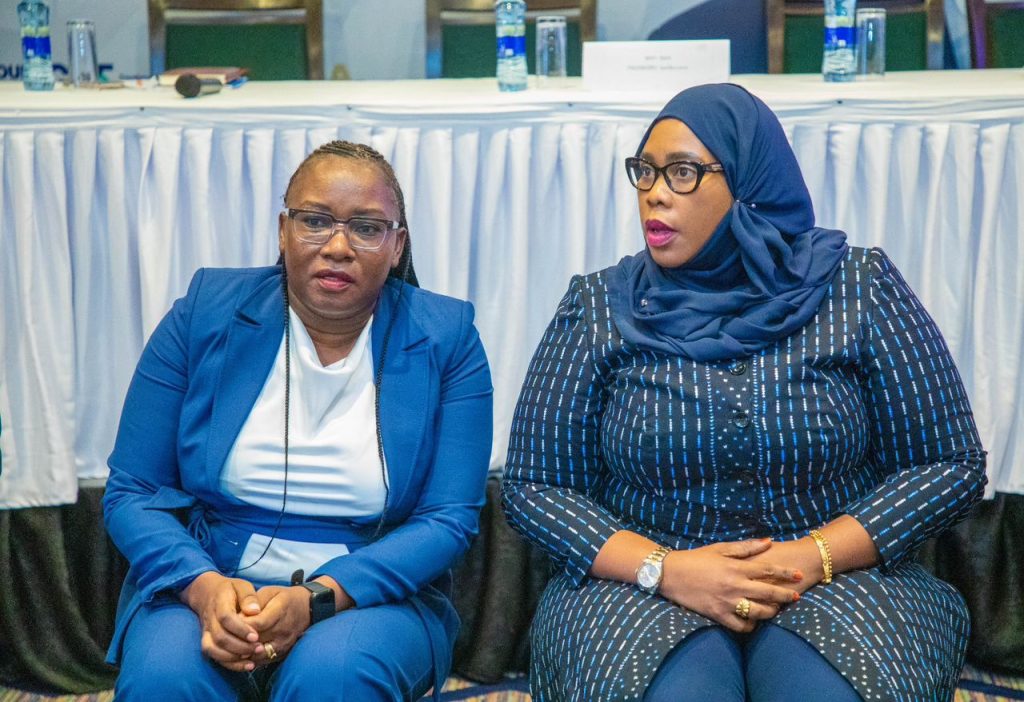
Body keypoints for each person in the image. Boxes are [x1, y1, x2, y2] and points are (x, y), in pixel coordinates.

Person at [502, 84, 986, 702]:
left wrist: (813, 556)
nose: (654, 193)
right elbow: (536, 485)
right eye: (645, 171)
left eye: (682, 173)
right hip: (642, 582)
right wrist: (664, 569)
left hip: (839, 575)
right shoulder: (600, 306)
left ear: (749, 184)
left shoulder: (857, 287)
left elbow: (948, 463)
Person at [103, 140, 493, 701]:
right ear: (283, 231)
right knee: (166, 676)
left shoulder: (447, 338)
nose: (337, 247)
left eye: (366, 228)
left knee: (334, 676)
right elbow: (133, 491)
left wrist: (319, 599)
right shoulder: (204, 313)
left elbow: (448, 519)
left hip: (371, 594)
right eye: (315, 221)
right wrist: (202, 586)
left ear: (397, 245)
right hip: (208, 574)